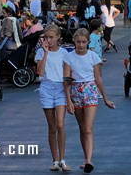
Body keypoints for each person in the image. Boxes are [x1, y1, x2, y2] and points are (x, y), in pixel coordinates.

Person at [63, 29, 115, 174]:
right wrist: (69, 101)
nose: (80, 45)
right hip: (75, 91)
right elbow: (66, 81)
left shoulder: (93, 56)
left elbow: (98, 79)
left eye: (83, 42)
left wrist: (105, 98)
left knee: (88, 128)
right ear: (74, 41)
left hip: (90, 90)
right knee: (81, 128)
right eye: (78, 42)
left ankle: (89, 161)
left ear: (88, 42)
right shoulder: (69, 57)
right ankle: (86, 157)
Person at [35, 25, 71, 172]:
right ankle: (55, 160)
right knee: (52, 126)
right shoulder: (40, 52)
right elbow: (40, 72)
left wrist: (69, 97)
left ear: (58, 37)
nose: (48, 40)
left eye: (51, 37)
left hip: (60, 88)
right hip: (46, 88)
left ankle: (62, 159)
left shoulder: (64, 53)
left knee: (60, 124)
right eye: (46, 37)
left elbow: (67, 74)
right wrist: (45, 53)